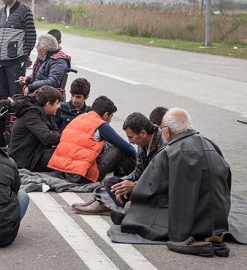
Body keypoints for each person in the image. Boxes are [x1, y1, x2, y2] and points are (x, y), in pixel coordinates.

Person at [120, 108, 231, 246]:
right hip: (218, 218)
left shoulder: (170, 152)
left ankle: (191, 238)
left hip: (190, 220)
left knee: (130, 208)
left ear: (167, 130)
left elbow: (149, 187)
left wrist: (131, 191)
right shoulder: (210, 144)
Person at [72, 111, 167, 215]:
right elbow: (138, 172)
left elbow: (160, 181)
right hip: (144, 184)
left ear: (143, 133)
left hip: (156, 191)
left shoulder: (164, 147)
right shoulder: (142, 143)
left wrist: (135, 185)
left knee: (127, 198)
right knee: (112, 182)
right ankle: (103, 200)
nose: (130, 142)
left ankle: (107, 203)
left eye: (131, 137)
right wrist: (122, 183)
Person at [47, 96, 137, 184]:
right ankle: (129, 180)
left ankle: (121, 180)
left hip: (62, 170)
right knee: (120, 149)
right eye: (111, 116)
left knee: (105, 146)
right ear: (106, 115)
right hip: (81, 175)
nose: (110, 120)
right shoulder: (100, 124)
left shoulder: (79, 118)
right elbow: (129, 148)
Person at [0, 0, 36, 100]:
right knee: (3, 97)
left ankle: (15, 119)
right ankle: (4, 118)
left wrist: (25, 55)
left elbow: (31, 35)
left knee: (16, 96)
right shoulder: (1, 12)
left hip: (15, 62)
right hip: (0, 61)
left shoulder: (24, 10)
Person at [8, 86, 62, 171]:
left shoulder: (45, 113)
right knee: (61, 154)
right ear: (48, 104)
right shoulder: (32, 114)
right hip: (24, 160)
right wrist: (67, 138)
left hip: (34, 153)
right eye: (57, 103)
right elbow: (47, 138)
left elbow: (55, 131)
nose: (58, 106)